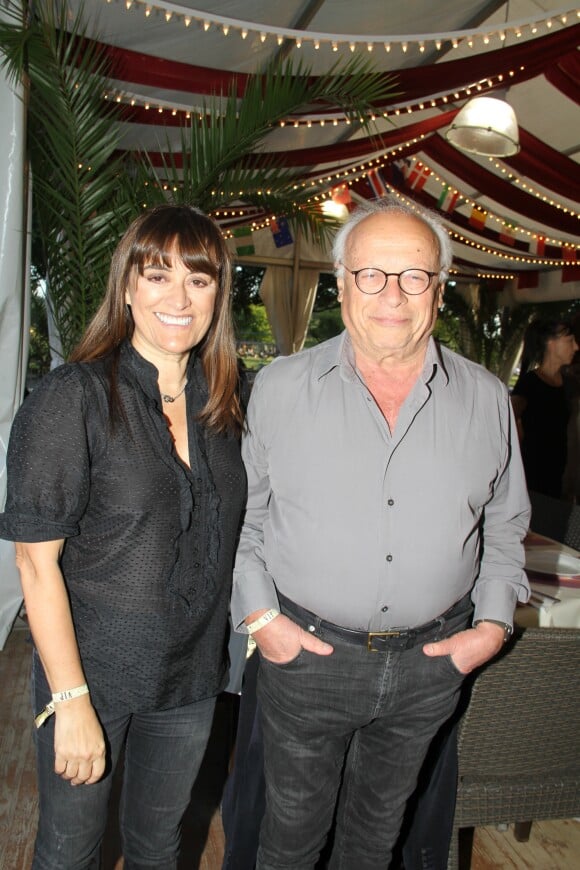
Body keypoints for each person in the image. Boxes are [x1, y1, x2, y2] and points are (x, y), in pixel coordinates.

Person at [230, 195, 530, 870]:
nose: (392, 294)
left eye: (414, 275)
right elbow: (243, 517)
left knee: (375, 842)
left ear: (439, 288)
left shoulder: (486, 399)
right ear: (341, 284)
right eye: (372, 274)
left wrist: (491, 629)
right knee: (288, 842)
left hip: (431, 667)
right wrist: (261, 618)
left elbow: (506, 522)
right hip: (306, 660)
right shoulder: (278, 388)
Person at [0, 204, 246, 869]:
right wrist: (71, 701)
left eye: (199, 280)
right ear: (128, 285)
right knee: (70, 850)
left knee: (158, 847)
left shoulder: (223, 403)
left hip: (191, 681)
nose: (178, 297)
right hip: (93, 678)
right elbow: (34, 562)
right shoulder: (73, 397)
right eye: (158, 274)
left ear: (218, 294)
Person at [511, 317, 578, 498]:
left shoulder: (570, 384)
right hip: (534, 483)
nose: (576, 347)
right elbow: (505, 422)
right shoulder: (530, 384)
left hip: (562, 480)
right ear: (551, 343)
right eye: (570, 341)